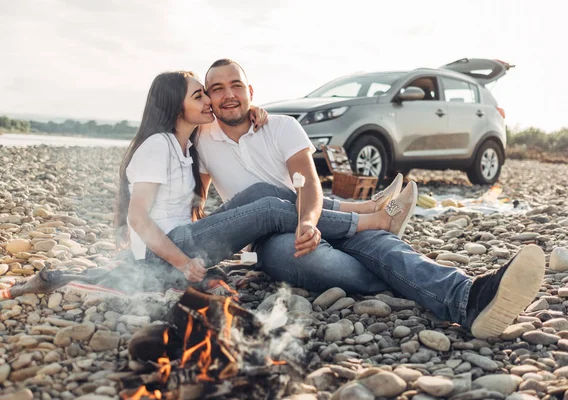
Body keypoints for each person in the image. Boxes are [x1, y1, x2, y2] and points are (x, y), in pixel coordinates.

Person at [197, 59, 546, 339]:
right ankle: (389, 244)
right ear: (208, 99)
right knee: (322, 261)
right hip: (270, 238)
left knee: (382, 247)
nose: (229, 94)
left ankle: (469, 298)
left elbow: (310, 185)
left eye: (236, 85)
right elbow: (197, 199)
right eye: (217, 88)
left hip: (314, 215)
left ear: (250, 91)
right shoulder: (203, 140)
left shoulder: (281, 125)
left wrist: (308, 221)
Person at [114, 70, 410, 290]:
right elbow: (138, 218)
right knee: (269, 208)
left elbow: (196, 197)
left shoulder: (187, 144)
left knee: (263, 192)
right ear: (177, 106)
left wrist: (251, 110)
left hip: (184, 238)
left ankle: (366, 207)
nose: (209, 101)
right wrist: (184, 264)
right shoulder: (157, 146)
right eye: (200, 95)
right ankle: (375, 221)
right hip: (164, 255)